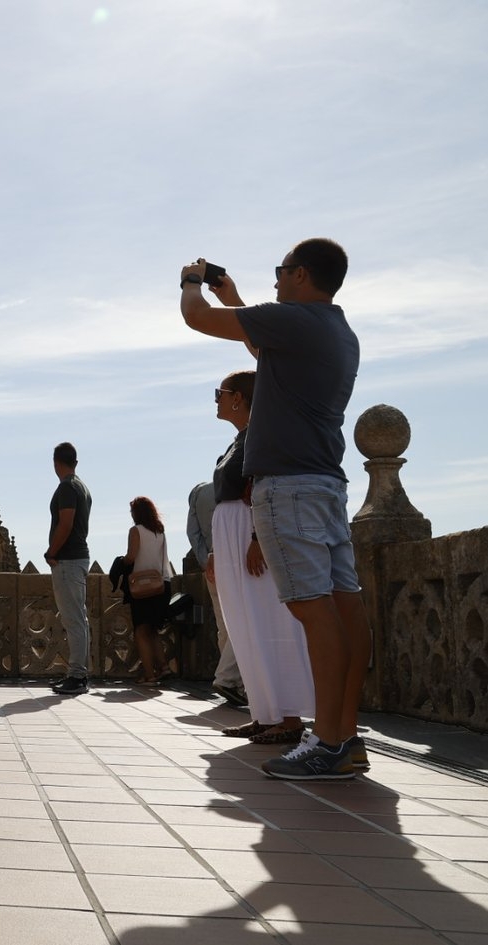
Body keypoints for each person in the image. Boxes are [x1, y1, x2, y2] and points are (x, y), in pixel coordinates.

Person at [181, 238, 371, 780]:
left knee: (314, 612)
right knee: (345, 608)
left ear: (302, 274)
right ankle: (346, 737)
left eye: (281, 271)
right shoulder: (336, 330)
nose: (276, 280)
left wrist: (191, 280)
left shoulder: (294, 320)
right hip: (325, 484)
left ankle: (327, 742)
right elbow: (265, 352)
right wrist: (235, 297)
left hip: (288, 487)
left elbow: (196, 318)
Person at [205, 370, 314, 745]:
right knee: (243, 625)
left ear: (238, 398)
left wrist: (256, 538)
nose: (216, 400)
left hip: (250, 532)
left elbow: (264, 486)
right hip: (231, 534)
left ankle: (289, 718)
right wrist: (217, 548)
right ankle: (265, 713)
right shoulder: (239, 440)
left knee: (267, 621)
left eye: (220, 393)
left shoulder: (261, 436)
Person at [188, 481, 246, 707]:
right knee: (244, 621)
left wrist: (206, 561)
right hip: (240, 562)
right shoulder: (244, 487)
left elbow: (192, 532)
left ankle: (232, 681)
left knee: (224, 625)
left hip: (212, 565)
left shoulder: (199, 491)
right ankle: (230, 679)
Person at [45, 443, 93, 695]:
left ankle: (77, 676)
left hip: (68, 561)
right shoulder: (82, 487)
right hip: (78, 559)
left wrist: (52, 552)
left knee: (73, 620)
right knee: (79, 619)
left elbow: (66, 523)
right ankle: (78, 673)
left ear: (56, 463)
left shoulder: (66, 487)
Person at [122, 496, 174, 686]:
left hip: (143, 587)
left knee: (140, 631)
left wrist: (121, 561)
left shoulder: (136, 530)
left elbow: (131, 556)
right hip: (162, 585)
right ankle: (164, 667)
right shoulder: (160, 531)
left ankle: (149, 675)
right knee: (152, 629)